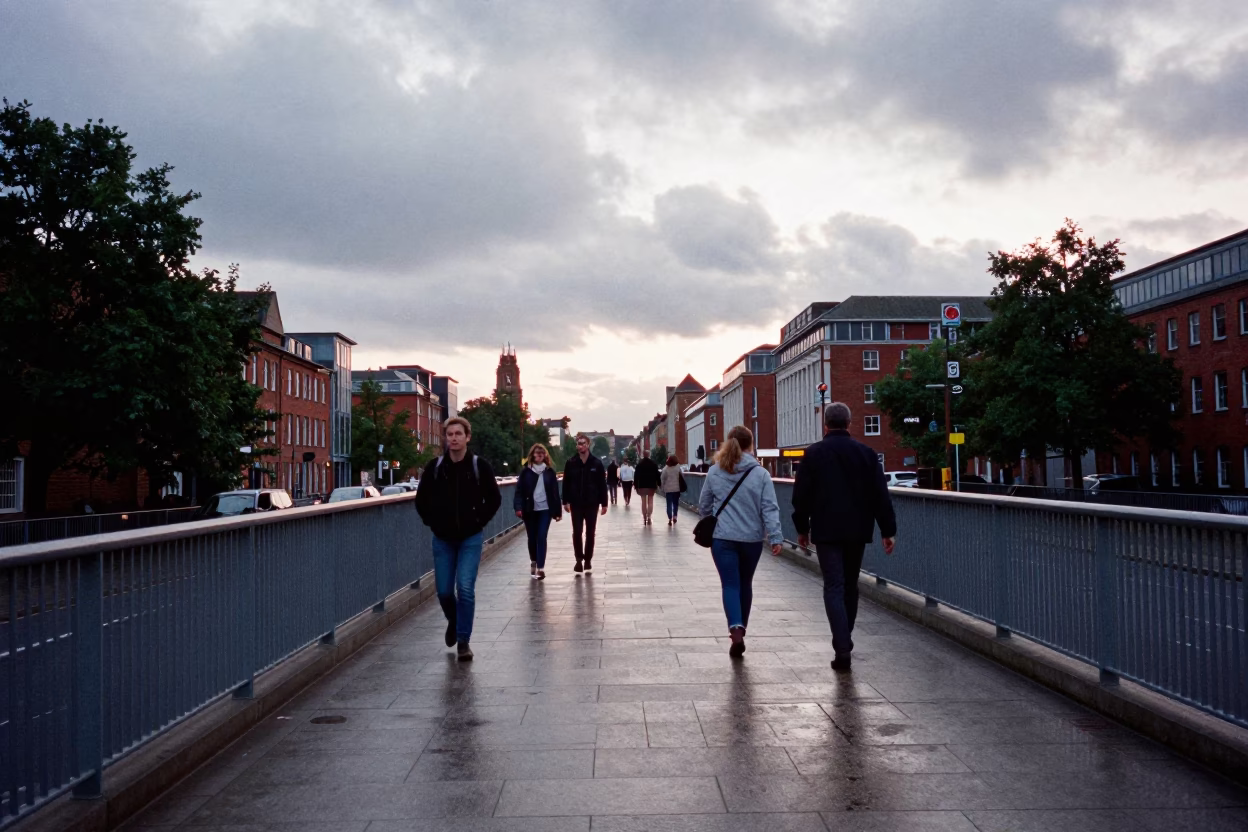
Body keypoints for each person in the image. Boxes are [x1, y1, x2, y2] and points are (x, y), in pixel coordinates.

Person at [791, 402, 897, 672]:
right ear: (849, 424)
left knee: (833, 586)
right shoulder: (867, 453)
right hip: (857, 530)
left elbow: (800, 497)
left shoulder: (813, 455)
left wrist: (802, 528)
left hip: (826, 530)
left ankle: (842, 645)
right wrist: (888, 530)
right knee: (850, 585)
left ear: (825, 424)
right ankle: (845, 638)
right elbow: (880, 495)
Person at [416, 416, 502, 661]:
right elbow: (421, 501)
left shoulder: (479, 466)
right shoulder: (435, 467)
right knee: (444, 592)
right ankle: (454, 621)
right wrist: (433, 522)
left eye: (458, 434)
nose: (453, 438)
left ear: (467, 437)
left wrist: (478, 521)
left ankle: (463, 641)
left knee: (464, 588)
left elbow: (494, 499)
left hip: (470, 539)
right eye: (450, 434)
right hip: (442, 539)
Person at [699, 426, 783, 657]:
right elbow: (769, 508)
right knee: (745, 583)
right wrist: (775, 537)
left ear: (728, 443)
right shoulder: (761, 474)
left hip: (722, 538)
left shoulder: (715, 471)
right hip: (751, 539)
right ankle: (742, 629)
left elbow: (704, 504)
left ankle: (734, 626)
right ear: (750, 445)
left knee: (729, 584)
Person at [561, 434, 608, 574]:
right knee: (577, 532)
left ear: (588, 445)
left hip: (592, 503)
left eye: (582, 443)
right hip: (576, 503)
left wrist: (604, 503)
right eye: (578, 443)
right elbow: (566, 483)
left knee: (590, 533)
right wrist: (565, 501)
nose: (579, 446)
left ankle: (588, 560)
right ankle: (578, 560)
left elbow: (602, 485)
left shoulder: (596, 463)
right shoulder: (571, 463)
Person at [514, 443, 561, 580]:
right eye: (537, 453)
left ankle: (541, 568)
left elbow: (554, 493)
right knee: (532, 538)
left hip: (545, 509)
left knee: (541, 537)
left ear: (545, 455)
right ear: (533, 455)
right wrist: (518, 508)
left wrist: (557, 512)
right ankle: (533, 561)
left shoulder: (549, 472)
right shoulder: (526, 472)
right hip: (530, 510)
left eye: (542, 453)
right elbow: (519, 492)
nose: (539, 455)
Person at [633, 454, 660, 525]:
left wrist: (636, 485)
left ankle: (644, 517)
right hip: (651, 486)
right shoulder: (653, 464)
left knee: (643, 502)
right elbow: (657, 475)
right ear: (649, 455)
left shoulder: (639, 464)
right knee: (650, 501)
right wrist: (659, 483)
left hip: (642, 486)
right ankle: (649, 517)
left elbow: (636, 476)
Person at [659, 454, 684, 526]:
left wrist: (662, 487)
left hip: (668, 490)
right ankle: (675, 516)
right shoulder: (678, 467)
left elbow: (662, 479)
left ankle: (670, 518)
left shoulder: (665, 468)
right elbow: (682, 476)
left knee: (669, 504)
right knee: (675, 503)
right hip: (677, 489)